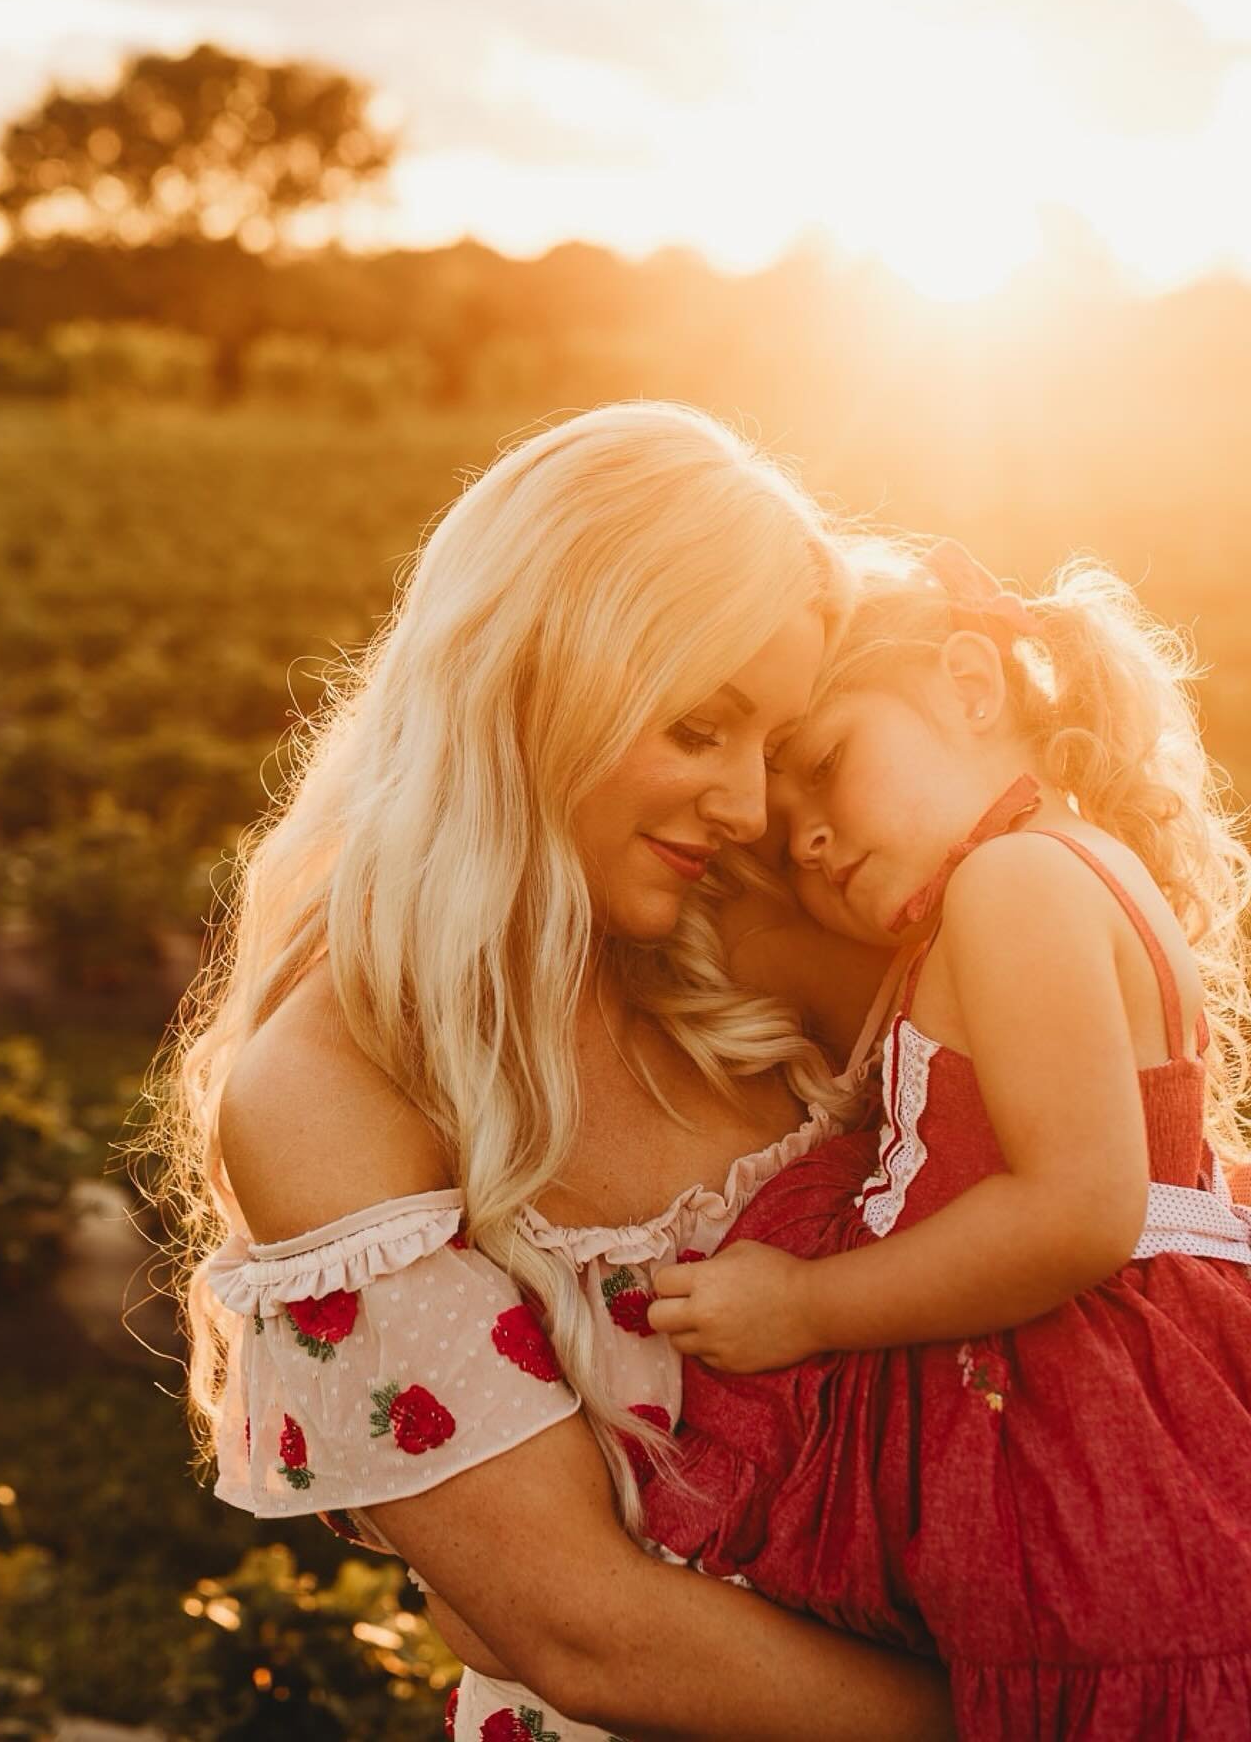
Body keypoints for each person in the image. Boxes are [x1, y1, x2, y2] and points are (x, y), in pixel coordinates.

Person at [145, 403, 953, 1740]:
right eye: (700, 728)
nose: (751, 806)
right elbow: (578, 1630)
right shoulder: (335, 1086)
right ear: (534, 673)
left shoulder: (751, 914)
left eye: (772, 744)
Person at [642, 537, 1251, 1738]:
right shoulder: (1069, 866)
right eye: (781, 840)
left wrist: (807, 1309)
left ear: (971, 688)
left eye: (825, 765)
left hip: (1089, 1444)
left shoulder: (1014, 882)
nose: (805, 836)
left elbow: (1079, 1208)